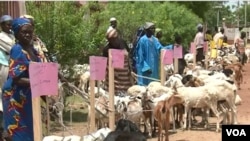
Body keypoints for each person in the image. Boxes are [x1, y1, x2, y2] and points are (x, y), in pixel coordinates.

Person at [2, 17, 40, 141]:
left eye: (30, 31)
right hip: (15, 96)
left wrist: (56, 73)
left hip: (27, 94)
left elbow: (40, 68)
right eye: (24, 32)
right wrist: (39, 82)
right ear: (17, 33)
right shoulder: (17, 50)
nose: (28, 34)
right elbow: (16, 78)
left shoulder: (32, 49)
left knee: (30, 128)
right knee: (19, 130)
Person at [102, 29, 133, 95]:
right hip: (113, 77)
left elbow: (128, 56)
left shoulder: (122, 43)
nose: (114, 41)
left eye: (115, 38)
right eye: (111, 39)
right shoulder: (106, 49)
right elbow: (104, 64)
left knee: (126, 93)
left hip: (124, 76)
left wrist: (130, 69)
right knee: (112, 94)